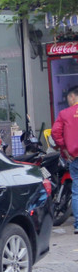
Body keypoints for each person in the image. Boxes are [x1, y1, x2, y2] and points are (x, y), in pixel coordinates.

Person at [51, 85, 78, 235]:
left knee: (76, 191)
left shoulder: (64, 114)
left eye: (68, 97)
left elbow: (56, 133)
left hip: (74, 156)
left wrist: (64, 148)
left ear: (73, 97)